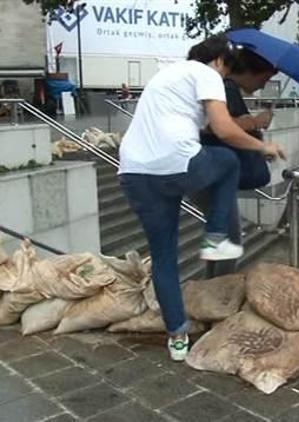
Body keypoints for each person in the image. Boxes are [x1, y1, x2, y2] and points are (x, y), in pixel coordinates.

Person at [118, 34, 285, 361]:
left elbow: (207, 125)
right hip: (178, 165)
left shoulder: (167, 74)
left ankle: (177, 336)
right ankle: (216, 237)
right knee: (226, 161)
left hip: (134, 173)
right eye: (226, 71)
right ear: (220, 60)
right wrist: (262, 145)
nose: (225, 79)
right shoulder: (208, 73)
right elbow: (223, 130)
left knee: (163, 257)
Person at [197, 47, 278, 279]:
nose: (264, 85)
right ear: (253, 71)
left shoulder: (225, 88)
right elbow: (218, 127)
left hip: (208, 172)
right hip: (216, 174)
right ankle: (217, 294)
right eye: (266, 78)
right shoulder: (227, 88)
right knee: (230, 240)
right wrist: (256, 121)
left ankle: (208, 287)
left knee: (217, 234)